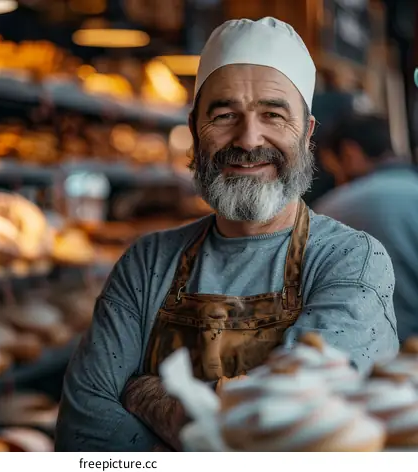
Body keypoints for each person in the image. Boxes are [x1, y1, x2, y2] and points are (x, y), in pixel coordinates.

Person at [55, 17, 399, 452]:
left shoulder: (353, 260)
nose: (249, 138)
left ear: (307, 133)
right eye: (224, 114)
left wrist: (145, 392)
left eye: (273, 114)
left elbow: (289, 432)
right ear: (195, 128)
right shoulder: (147, 263)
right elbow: (85, 439)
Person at [313, 113, 418, 343]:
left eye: (334, 170)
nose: (336, 179)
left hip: (375, 356)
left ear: (350, 153)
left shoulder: (334, 209)